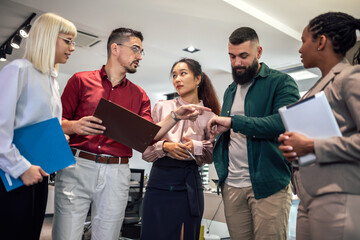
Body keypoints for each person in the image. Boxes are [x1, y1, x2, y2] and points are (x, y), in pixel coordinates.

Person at [53, 28, 209, 240]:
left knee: (107, 236)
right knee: (66, 235)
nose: (139, 56)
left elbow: (150, 135)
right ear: (115, 48)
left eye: (141, 52)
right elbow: (55, 123)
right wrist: (74, 126)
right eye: (135, 49)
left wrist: (175, 116)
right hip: (78, 165)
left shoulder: (140, 95)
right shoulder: (80, 80)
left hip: (116, 172)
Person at [207, 27, 300, 240]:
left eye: (243, 56)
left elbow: (282, 123)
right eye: (232, 56)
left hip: (269, 186)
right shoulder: (230, 90)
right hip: (232, 185)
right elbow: (230, 133)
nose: (237, 62)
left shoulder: (281, 82)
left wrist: (233, 122)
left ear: (258, 52)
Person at [278, 12, 360, 240]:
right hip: (309, 196)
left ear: (321, 41)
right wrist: (294, 150)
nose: (300, 49)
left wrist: (312, 145)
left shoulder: (350, 77)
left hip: (338, 195)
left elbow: (315, 145)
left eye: (304, 41)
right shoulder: (316, 89)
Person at [0, 13, 76, 240]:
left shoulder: (51, 79)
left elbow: (40, 124)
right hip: (14, 174)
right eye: (68, 41)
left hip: (39, 172)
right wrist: (21, 167)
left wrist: (58, 139)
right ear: (48, 37)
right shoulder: (18, 70)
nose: (72, 48)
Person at [140, 58, 221, 240]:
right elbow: (145, 150)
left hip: (189, 185)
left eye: (183, 74)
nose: (177, 79)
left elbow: (212, 156)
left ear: (198, 79)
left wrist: (197, 146)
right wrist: (165, 147)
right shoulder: (162, 108)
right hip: (159, 183)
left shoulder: (210, 115)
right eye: (174, 75)